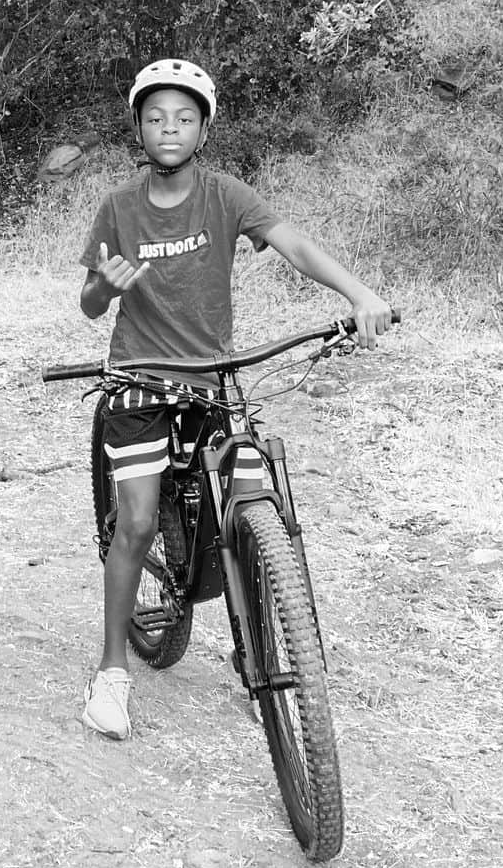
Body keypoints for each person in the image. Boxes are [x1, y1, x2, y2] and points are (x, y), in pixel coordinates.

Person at [78, 58, 392, 740]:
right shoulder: (119, 207)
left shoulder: (225, 196)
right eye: (156, 117)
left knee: (257, 504)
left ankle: (264, 654)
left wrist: (359, 293)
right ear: (138, 126)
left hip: (214, 378)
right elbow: (89, 303)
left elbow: (296, 246)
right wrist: (106, 285)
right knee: (133, 523)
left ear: (203, 129)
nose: (169, 128)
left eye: (183, 118)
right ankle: (110, 673)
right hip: (139, 379)